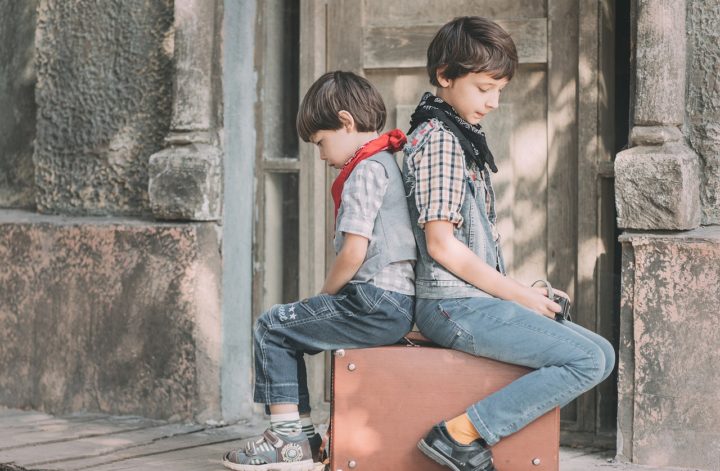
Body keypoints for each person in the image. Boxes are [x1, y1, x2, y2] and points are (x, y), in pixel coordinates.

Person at [402, 17, 616, 471]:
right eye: (484, 88)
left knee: (601, 354)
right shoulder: (440, 140)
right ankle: (459, 434)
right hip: (451, 307)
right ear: (445, 75)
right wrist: (517, 295)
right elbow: (440, 245)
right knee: (587, 361)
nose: (494, 102)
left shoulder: (457, 136)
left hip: (469, 300)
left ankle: (464, 433)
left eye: (500, 89)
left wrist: (523, 290)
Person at [222, 71, 416, 471]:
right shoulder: (384, 161)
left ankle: (289, 441)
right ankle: (302, 437)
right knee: (287, 331)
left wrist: (324, 296)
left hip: (375, 299)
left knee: (272, 326)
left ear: (346, 123)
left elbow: (353, 251)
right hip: (391, 302)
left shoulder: (366, 170)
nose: (322, 155)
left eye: (321, 142)